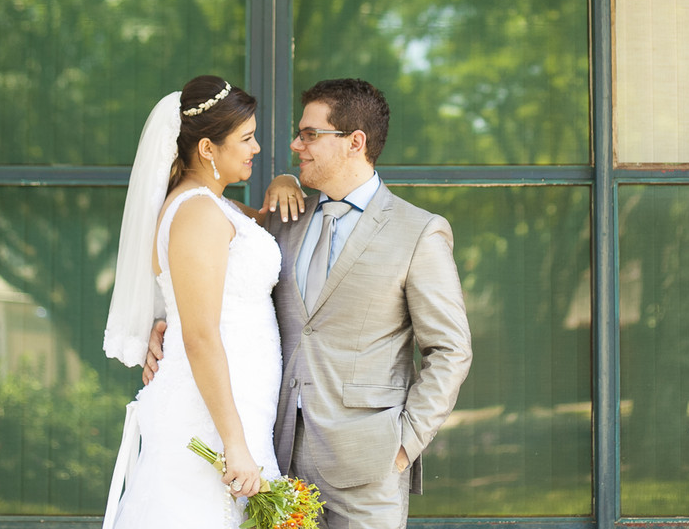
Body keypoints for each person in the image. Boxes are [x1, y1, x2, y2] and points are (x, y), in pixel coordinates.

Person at [148, 78, 473, 529]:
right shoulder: (283, 220)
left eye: (310, 135)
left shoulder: (418, 232)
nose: (294, 144)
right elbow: (208, 277)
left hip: (368, 468)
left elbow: (451, 350)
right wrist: (164, 324)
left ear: (354, 142)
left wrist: (402, 447)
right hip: (274, 458)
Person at [102, 75, 302, 529]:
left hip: (239, 403)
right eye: (246, 139)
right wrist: (234, 443)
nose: (255, 148)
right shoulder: (196, 213)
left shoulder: (217, 207)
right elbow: (199, 335)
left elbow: (268, 226)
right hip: (210, 415)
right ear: (208, 149)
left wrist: (286, 180)